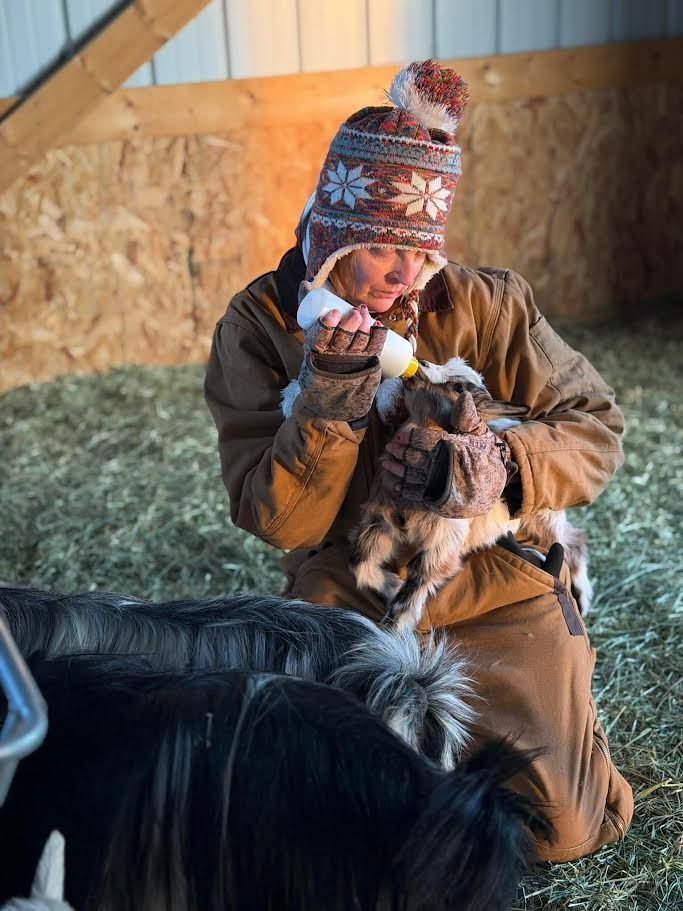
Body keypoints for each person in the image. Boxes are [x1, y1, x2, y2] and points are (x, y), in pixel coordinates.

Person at [204, 60, 633, 862]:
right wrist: (330, 397)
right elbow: (277, 517)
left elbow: (596, 427)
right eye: (381, 251)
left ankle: (568, 704)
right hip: (352, 587)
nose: (406, 276)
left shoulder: (487, 302)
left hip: (495, 578)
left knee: (558, 830)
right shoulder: (260, 326)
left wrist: (496, 467)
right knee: (351, 829)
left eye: (421, 251)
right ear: (331, 238)